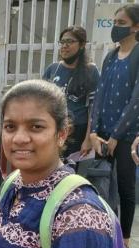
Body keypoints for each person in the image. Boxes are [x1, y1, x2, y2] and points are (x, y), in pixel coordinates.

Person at [0, 80, 118, 248]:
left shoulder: (78, 212)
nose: (19, 138)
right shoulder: (13, 184)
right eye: (10, 127)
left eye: (36, 127)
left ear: (62, 134)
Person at [90, 4, 139, 247]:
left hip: (127, 135)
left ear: (136, 26)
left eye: (122, 23)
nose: (116, 27)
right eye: (115, 22)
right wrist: (93, 131)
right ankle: (108, 234)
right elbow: (100, 95)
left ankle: (126, 241)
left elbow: (136, 100)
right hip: (104, 135)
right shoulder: (110, 56)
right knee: (104, 186)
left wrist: (118, 135)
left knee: (125, 187)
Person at [43, 26, 100, 157]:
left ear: (82, 45)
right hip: (54, 129)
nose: (64, 46)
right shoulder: (53, 69)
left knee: (71, 171)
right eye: (62, 42)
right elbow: (42, 102)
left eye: (69, 42)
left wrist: (87, 139)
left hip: (77, 132)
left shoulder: (91, 71)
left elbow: (94, 107)